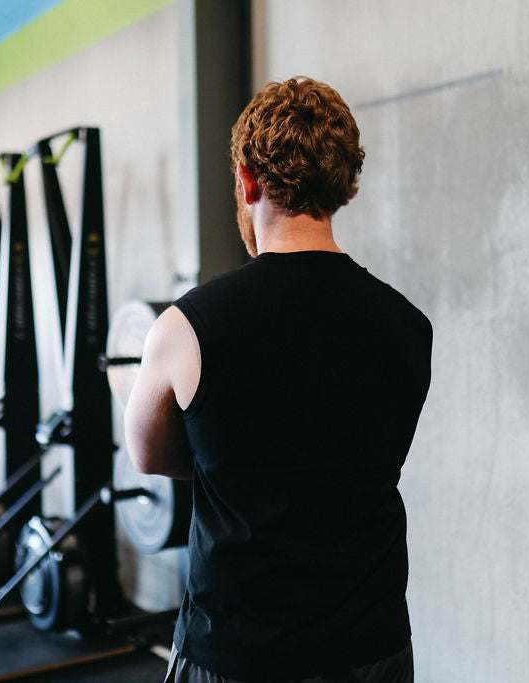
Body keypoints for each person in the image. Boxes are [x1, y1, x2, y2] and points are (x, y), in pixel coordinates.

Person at [125, 76, 432, 683]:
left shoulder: (186, 328)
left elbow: (150, 455)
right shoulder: (408, 325)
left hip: (239, 656)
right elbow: (352, 455)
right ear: (343, 184)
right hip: (372, 652)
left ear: (246, 179)